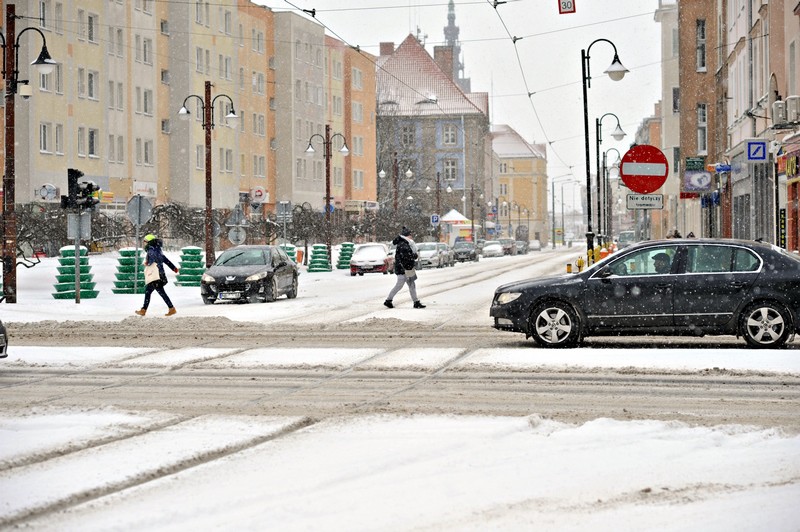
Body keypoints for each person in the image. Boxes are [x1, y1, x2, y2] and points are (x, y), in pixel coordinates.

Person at [135, 234, 179, 316]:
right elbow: (165, 260)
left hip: (156, 275)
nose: (144, 243)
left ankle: (171, 308)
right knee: (149, 292)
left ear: (149, 242)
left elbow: (154, 260)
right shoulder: (157, 249)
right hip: (159, 274)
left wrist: (148, 263)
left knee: (159, 292)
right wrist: (173, 268)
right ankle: (144, 310)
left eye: (145, 242)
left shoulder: (152, 250)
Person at [384, 226, 426, 309]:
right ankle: (388, 300)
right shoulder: (404, 244)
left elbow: (406, 256)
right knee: (402, 285)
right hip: (404, 268)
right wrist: (415, 255)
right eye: (410, 234)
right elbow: (407, 256)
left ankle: (415, 302)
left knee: (410, 285)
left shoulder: (404, 243)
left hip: (404, 268)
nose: (412, 236)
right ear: (407, 236)